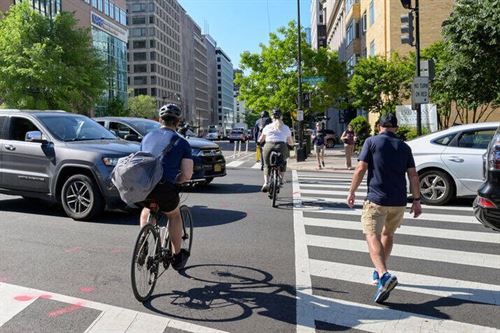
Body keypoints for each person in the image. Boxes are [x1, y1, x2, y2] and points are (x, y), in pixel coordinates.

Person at [346, 112, 422, 304]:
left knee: (372, 235)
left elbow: (361, 168)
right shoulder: (405, 147)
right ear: (395, 128)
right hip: (398, 201)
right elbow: (413, 176)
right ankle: (379, 271)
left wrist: (351, 191)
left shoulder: (371, 142)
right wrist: (417, 200)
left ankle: (384, 274)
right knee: (388, 235)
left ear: (380, 126)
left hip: (376, 199)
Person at [138, 104, 194, 270]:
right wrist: (178, 180)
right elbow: (187, 174)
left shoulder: (147, 137)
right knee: (174, 215)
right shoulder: (182, 143)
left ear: (159, 120)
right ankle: (177, 255)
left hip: (144, 186)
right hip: (165, 187)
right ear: (177, 122)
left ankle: (143, 242)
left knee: (147, 209)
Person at [258, 108, 294, 192]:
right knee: (283, 163)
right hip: (282, 146)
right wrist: (291, 145)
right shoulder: (286, 127)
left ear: (272, 117)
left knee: (267, 165)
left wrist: (259, 143)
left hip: (269, 145)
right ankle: (281, 180)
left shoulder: (267, 127)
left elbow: (261, 139)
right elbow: (290, 141)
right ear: (281, 117)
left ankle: (266, 183)